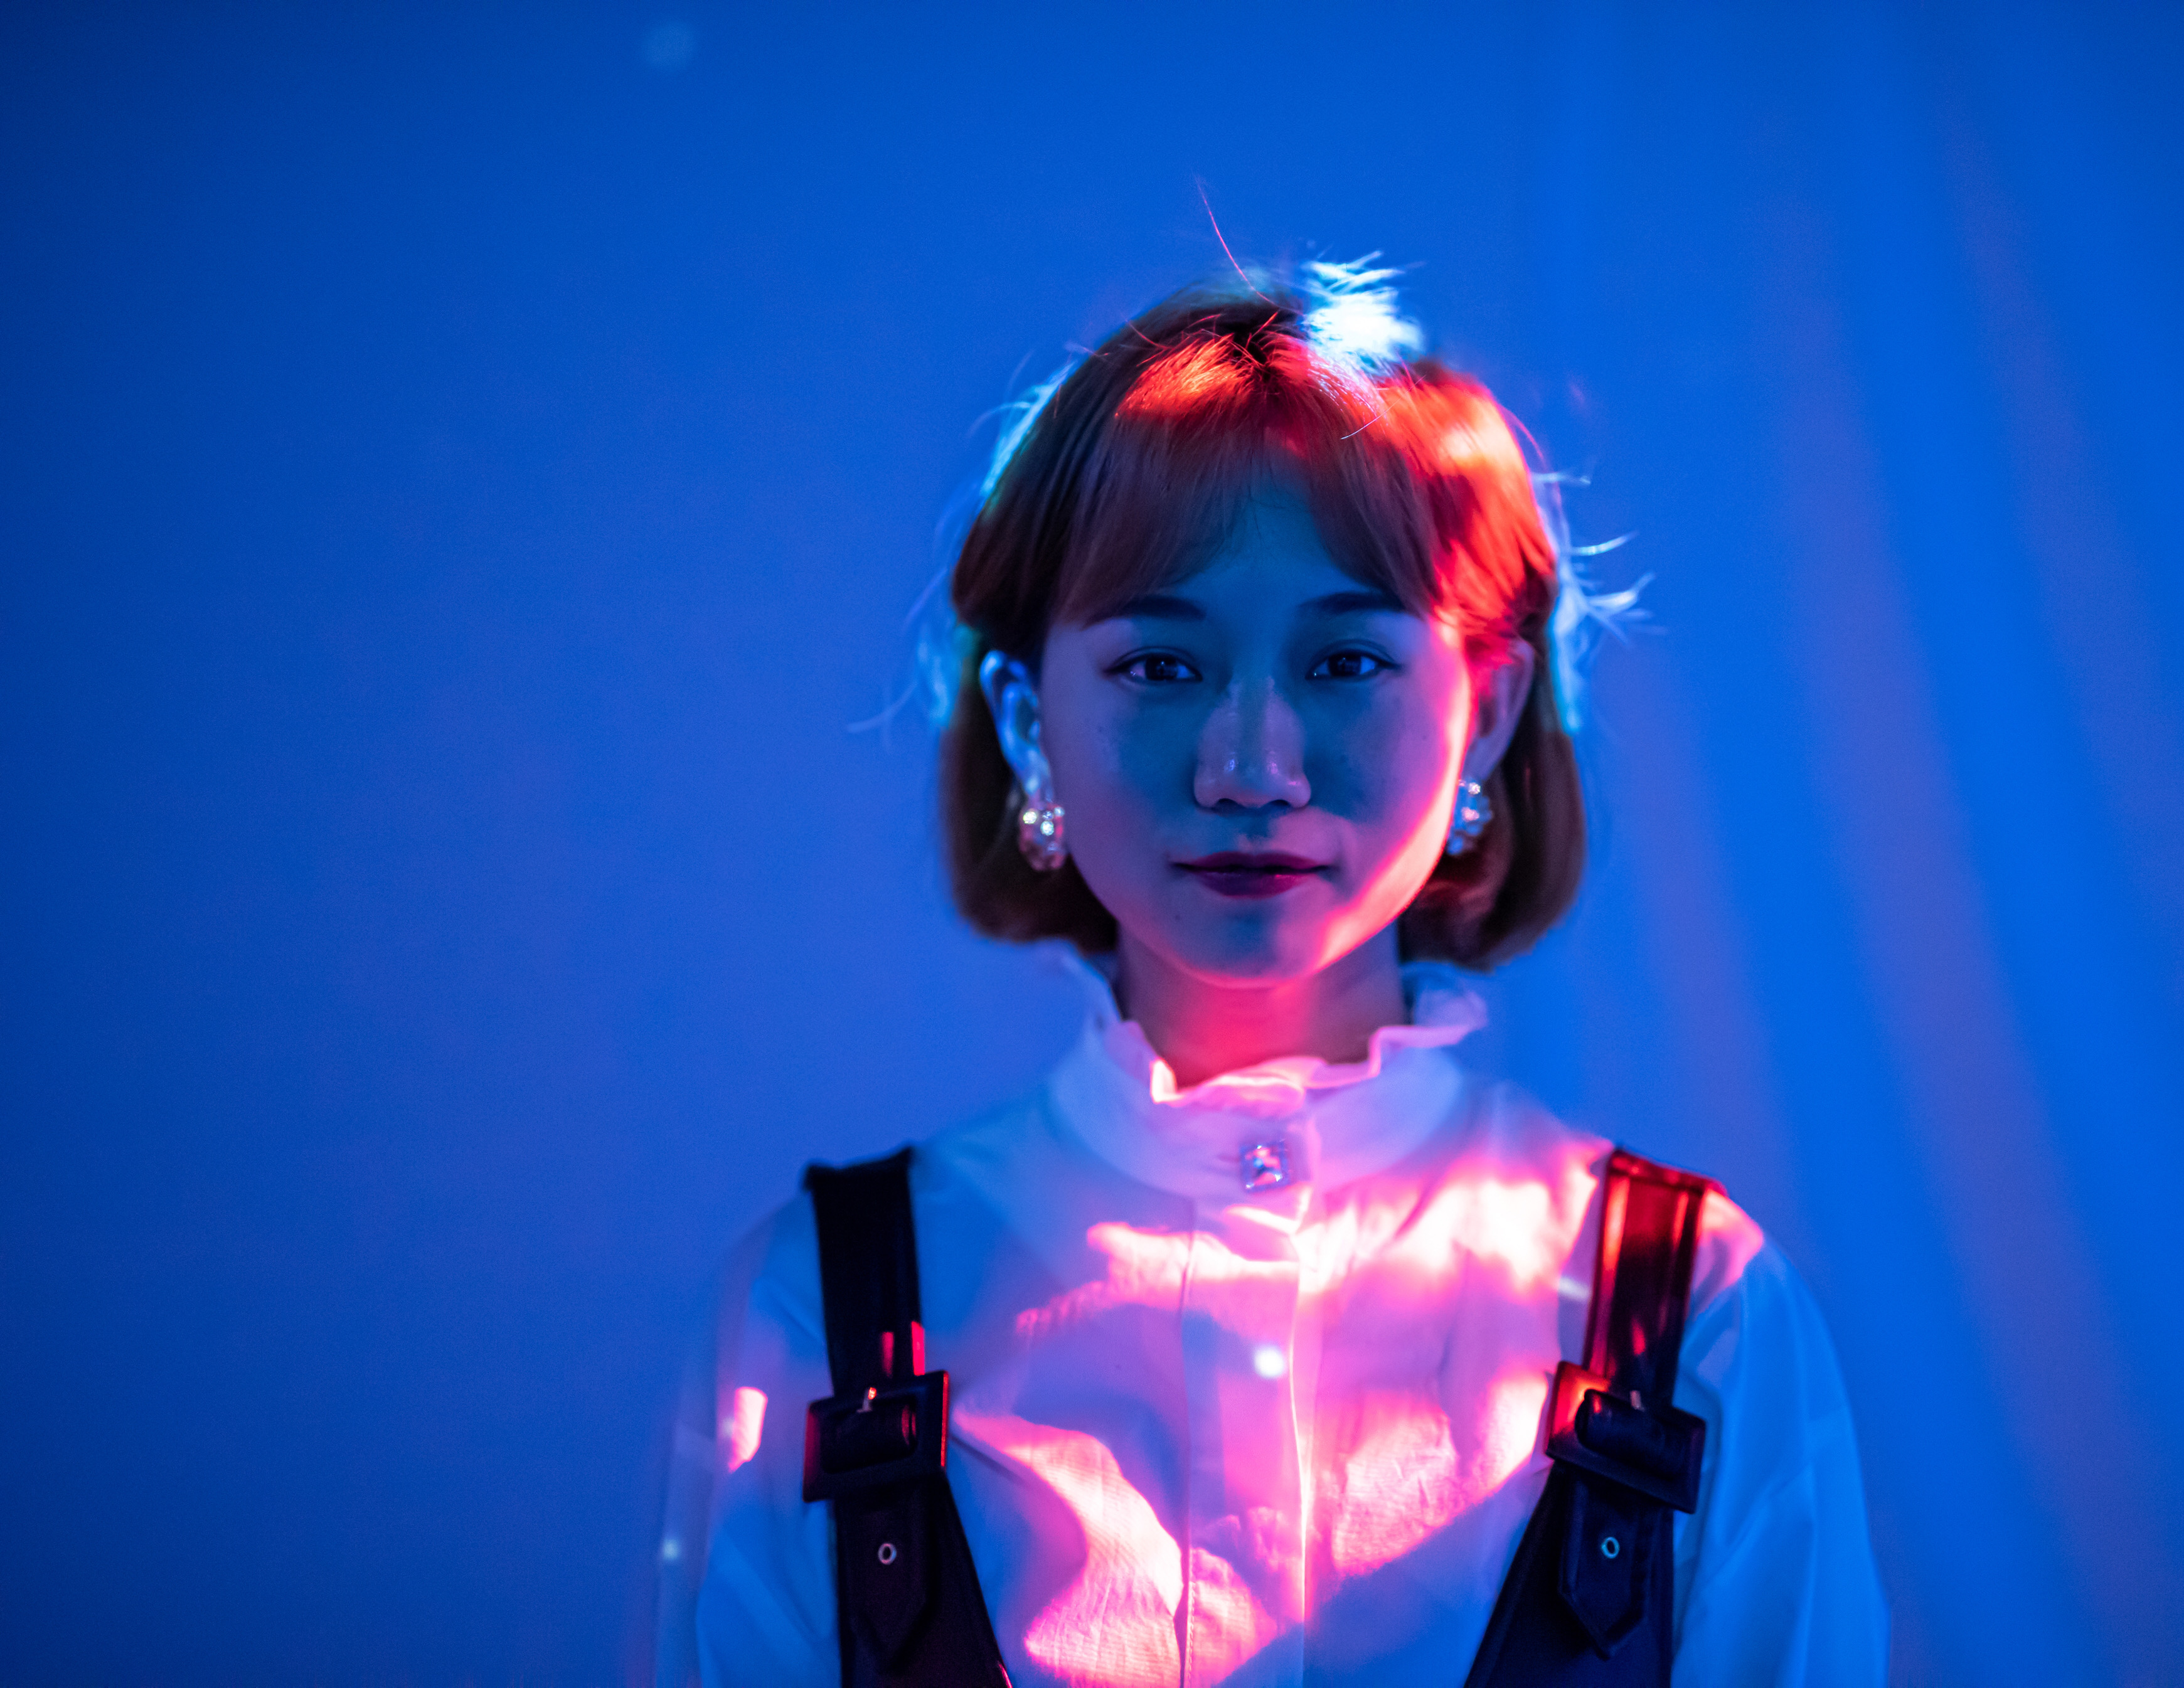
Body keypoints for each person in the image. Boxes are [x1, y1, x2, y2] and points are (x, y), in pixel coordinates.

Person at [649, 262, 1886, 1687]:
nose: (1251, 768)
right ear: (1029, 722)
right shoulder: (809, 1313)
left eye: (1345, 661)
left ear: (1487, 713)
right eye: (1161, 666)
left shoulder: (1706, 1309)